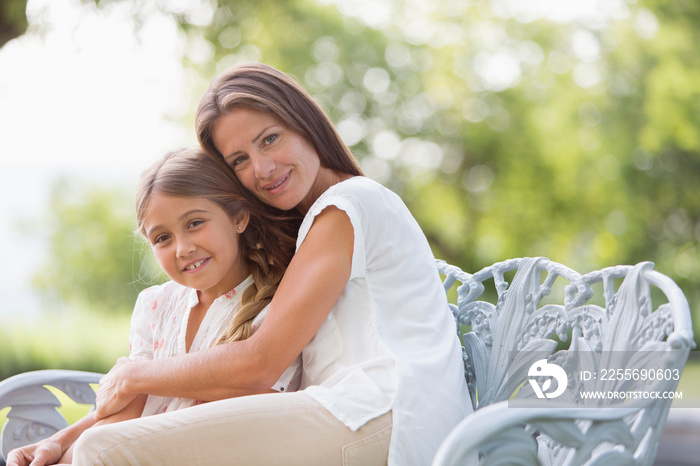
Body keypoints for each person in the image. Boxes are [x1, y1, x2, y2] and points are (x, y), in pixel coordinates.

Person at [72, 63, 471, 466]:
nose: (261, 169)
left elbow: (260, 364)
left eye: (270, 139)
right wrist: (67, 438)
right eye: (240, 160)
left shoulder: (349, 204)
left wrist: (132, 376)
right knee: (103, 444)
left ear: (305, 124)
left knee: (102, 452)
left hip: (389, 414)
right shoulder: (313, 224)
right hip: (351, 412)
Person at [6, 148, 301, 466]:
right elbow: (123, 410)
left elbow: (245, 422)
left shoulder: (277, 307)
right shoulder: (156, 305)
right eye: (162, 238)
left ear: (238, 217)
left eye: (195, 223)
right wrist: (58, 445)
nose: (183, 248)